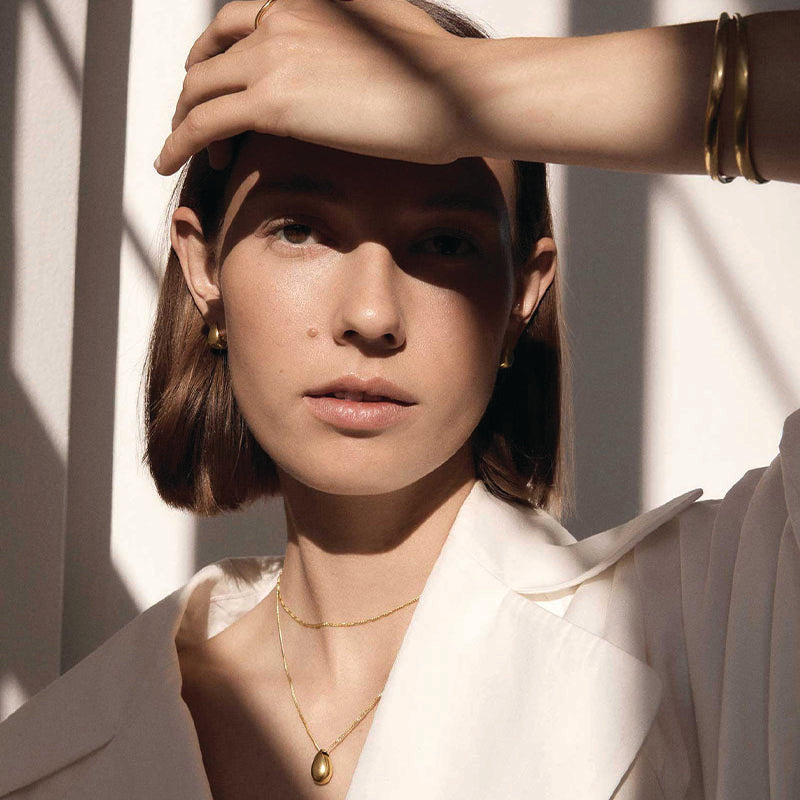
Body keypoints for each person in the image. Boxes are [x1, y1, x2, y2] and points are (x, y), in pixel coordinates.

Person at [0, 1, 798, 798]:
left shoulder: (711, 624)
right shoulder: (57, 764)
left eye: (445, 242)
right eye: (300, 230)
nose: (372, 315)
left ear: (523, 291)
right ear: (202, 267)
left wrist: (470, 90)